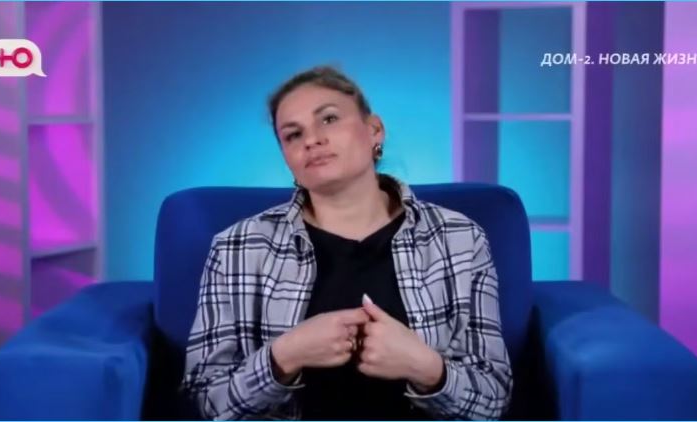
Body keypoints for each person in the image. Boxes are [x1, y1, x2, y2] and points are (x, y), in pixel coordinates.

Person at [181, 65, 512, 420]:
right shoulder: (236, 248)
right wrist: (285, 356)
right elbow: (210, 403)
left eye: (329, 119)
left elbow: (492, 402)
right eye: (293, 135)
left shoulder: (460, 238)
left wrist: (426, 368)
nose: (311, 140)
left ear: (374, 130)